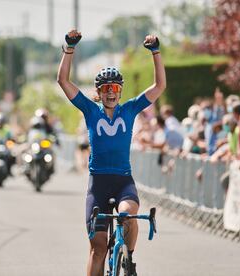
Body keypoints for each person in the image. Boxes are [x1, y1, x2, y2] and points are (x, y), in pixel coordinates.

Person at [57, 29, 166, 276]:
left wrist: (156, 53)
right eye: (106, 88)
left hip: (123, 181)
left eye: (115, 88)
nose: (110, 92)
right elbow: (63, 81)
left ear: (120, 91)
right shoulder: (90, 110)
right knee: (97, 249)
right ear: (99, 91)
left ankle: (129, 260)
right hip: (98, 185)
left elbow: (160, 86)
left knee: (128, 215)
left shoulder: (130, 109)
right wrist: (69, 48)